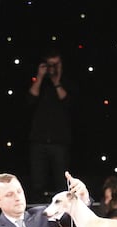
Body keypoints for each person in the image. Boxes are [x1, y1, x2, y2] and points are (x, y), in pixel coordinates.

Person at [27, 49, 74, 201]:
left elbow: (68, 103)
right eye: (50, 65)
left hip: (59, 140)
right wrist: (40, 78)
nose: (52, 68)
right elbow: (30, 101)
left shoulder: (67, 82)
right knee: (38, 182)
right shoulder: (39, 83)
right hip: (39, 140)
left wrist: (57, 82)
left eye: (56, 64)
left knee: (62, 181)